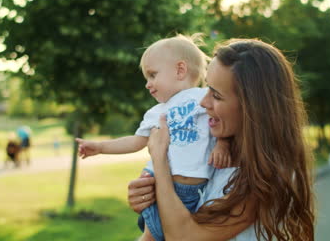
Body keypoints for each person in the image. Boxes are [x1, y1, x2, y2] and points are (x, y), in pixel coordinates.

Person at [128, 39, 316, 240]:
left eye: (216, 95)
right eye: (207, 88)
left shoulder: (267, 177)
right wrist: (152, 201)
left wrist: (159, 159)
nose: (203, 102)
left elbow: (182, 237)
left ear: (251, 107)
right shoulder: (213, 155)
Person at [76, 34, 231, 241]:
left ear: (180, 70)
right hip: (158, 184)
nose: (148, 84)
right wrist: (101, 147)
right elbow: (136, 141)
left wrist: (222, 145)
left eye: (152, 75)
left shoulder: (201, 98)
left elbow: (217, 124)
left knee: (177, 234)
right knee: (149, 236)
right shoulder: (156, 112)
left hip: (193, 190)